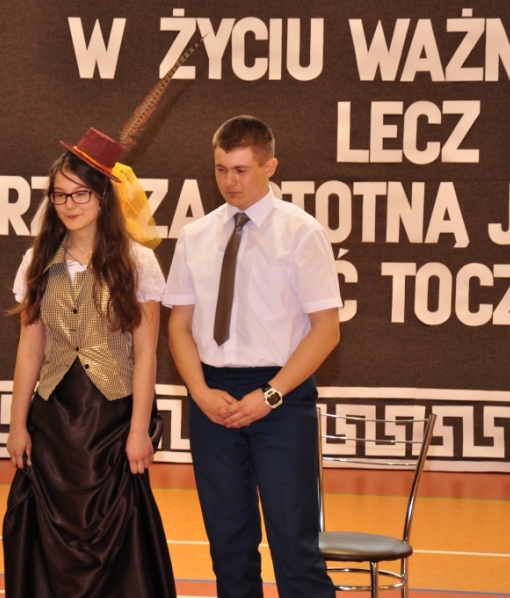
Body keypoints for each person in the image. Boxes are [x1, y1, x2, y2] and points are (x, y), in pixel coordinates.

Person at [163, 115, 343, 598]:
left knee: (295, 547)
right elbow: (178, 326)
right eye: (221, 169)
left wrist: (271, 394)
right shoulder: (196, 235)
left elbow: (326, 330)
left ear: (270, 166)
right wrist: (200, 392)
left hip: (280, 395)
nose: (230, 181)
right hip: (212, 397)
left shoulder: (301, 232)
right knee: (229, 547)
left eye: (241, 170)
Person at [2, 127, 176, 598]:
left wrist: (139, 431)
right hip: (53, 423)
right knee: (45, 535)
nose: (69, 204)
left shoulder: (137, 263)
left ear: (102, 196)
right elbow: (30, 349)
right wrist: (17, 426)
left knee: (119, 535)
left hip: (112, 421)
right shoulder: (37, 261)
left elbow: (146, 353)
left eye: (80, 193)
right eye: (60, 194)